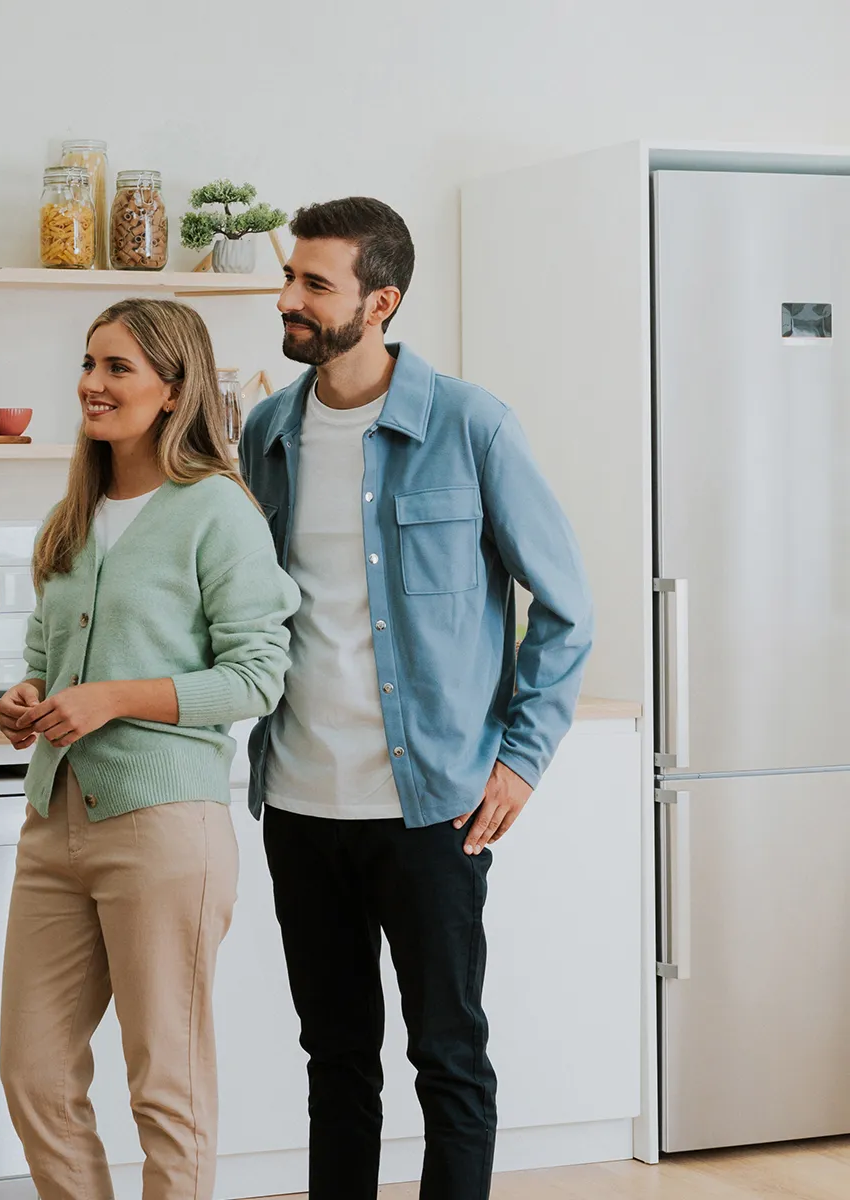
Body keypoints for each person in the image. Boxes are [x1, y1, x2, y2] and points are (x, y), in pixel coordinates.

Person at [238, 197, 593, 1200]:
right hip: (301, 806)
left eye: (315, 283)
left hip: (429, 807)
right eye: (289, 277)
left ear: (379, 301)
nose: (288, 299)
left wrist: (519, 761)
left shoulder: (470, 425)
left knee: (448, 1059)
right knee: (335, 1064)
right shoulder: (268, 432)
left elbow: (565, 610)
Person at [0, 297, 299, 1200]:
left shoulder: (217, 511)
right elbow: (47, 664)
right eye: (89, 363)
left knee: (166, 1086)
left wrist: (113, 700)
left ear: (172, 389)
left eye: (118, 367)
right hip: (55, 827)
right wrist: (29, 702)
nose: (92, 384)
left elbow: (257, 678)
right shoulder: (74, 513)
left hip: (164, 828)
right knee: (34, 1074)